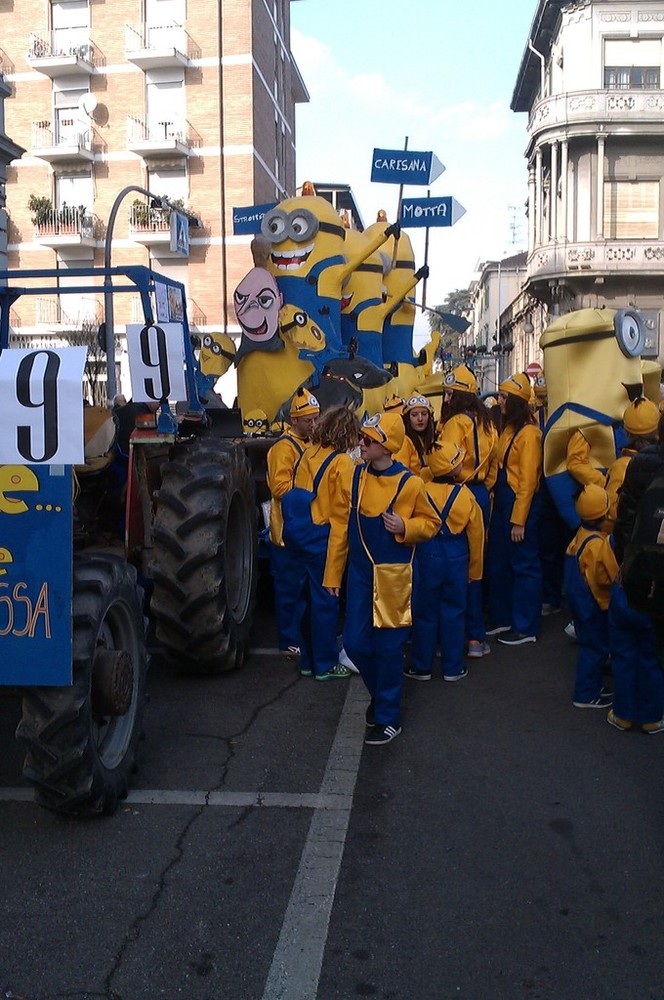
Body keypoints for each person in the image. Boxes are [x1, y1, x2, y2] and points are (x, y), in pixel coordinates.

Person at [323, 411, 440, 745]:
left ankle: (388, 715)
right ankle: (382, 695)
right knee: (355, 643)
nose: (361, 442)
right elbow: (340, 528)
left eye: (369, 439)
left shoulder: (412, 484)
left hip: (394, 577)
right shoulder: (355, 477)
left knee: (389, 649)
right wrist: (332, 574)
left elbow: (432, 524)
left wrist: (407, 527)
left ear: (386, 447)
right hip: (360, 575)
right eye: (362, 436)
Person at [290, 405, 360, 680]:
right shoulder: (342, 463)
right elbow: (342, 517)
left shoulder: (309, 452)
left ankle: (308, 661)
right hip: (323, 538)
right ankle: (326, 664)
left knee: (305, 602)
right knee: (326, 603)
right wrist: (334, 572)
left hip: (300, 534)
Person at [408, 441, 484, 681]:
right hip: (457, 553)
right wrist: (475, 571)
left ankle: (421, 666)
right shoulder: (466, 495)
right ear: (453, 468)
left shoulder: (421, 488)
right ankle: (453, 667)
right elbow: (477, 536)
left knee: (424, 611)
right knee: (454, 610)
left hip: (427, 551)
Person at [438, 364, 497, 658]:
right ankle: (476, 638)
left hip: (455, 492)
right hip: (480, 493)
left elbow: (445, 460)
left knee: (450, 564)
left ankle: (450, 638)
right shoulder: (487, 422)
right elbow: (494, 466)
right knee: (476, 565)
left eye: (450, 394)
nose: (446, 400)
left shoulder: (454, 424)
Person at [486, 372, 543, 645]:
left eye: (505, 397)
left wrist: (519, 520)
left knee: (524, 565)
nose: (499, 401)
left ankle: (526, 627)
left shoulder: (529, 435)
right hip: (504, 505)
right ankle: (504, 618)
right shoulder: (509, 429)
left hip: (521, 507)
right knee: (501, 563)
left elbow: (528, 481)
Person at [266, 388, 319, 655]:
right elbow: (279, 488)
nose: (313, 423)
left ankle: (302, 637)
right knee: (289, 591)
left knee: (306, 590)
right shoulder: (283, 449)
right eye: (308, 419)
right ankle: (289, 641)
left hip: (305, 530)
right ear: (294, 420)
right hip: (286, 533)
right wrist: (313, 492)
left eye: (315, 418)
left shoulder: (310, 444)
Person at [564, 484, 618, 709]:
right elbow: (605, 579)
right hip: (593, 603)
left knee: (589, 644)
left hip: (578, 601)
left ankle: (592, 686)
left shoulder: (581, 534)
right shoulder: (598, 544)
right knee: (595, 647)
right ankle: (586, 695)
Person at [396, 394, 436, 474]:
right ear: (408, 418)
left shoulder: (431, 438)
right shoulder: (405, 442)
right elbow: (400, 475)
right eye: (414, 415)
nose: (420, 418)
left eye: (424, 414)